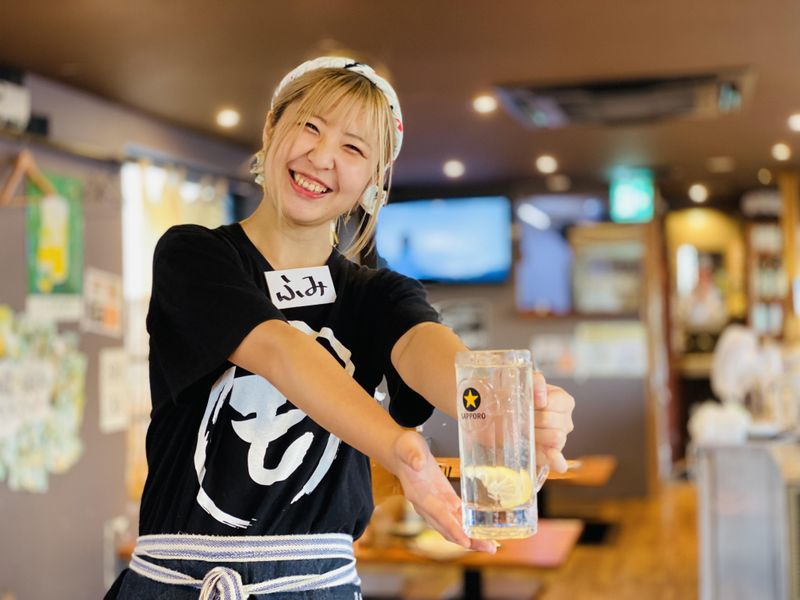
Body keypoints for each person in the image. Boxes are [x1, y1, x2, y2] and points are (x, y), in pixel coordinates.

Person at [108, 56, 575, 599]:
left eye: (353, 148)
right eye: (310, 126)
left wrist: (500, 409)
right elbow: (277, 349)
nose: (322, 157)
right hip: (178, 585)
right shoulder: (193, 256)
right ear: (271, 128)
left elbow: (426, 348)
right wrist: (399, 449)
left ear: (374, 179)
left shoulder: (376, 294)